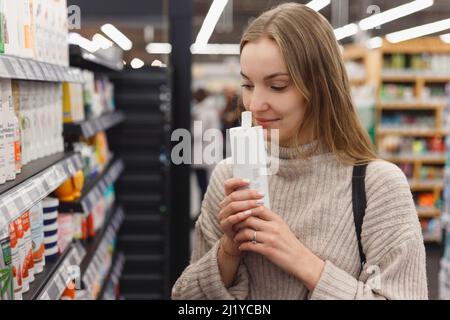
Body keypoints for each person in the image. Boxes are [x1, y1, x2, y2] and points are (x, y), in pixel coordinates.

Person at [172, 3, 427, 300]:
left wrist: (302, 261)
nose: (254, 104)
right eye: (247, 84)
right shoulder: (229, 177)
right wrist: (228, 252)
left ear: (321, 86)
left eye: (277, 86)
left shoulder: (378, 185)